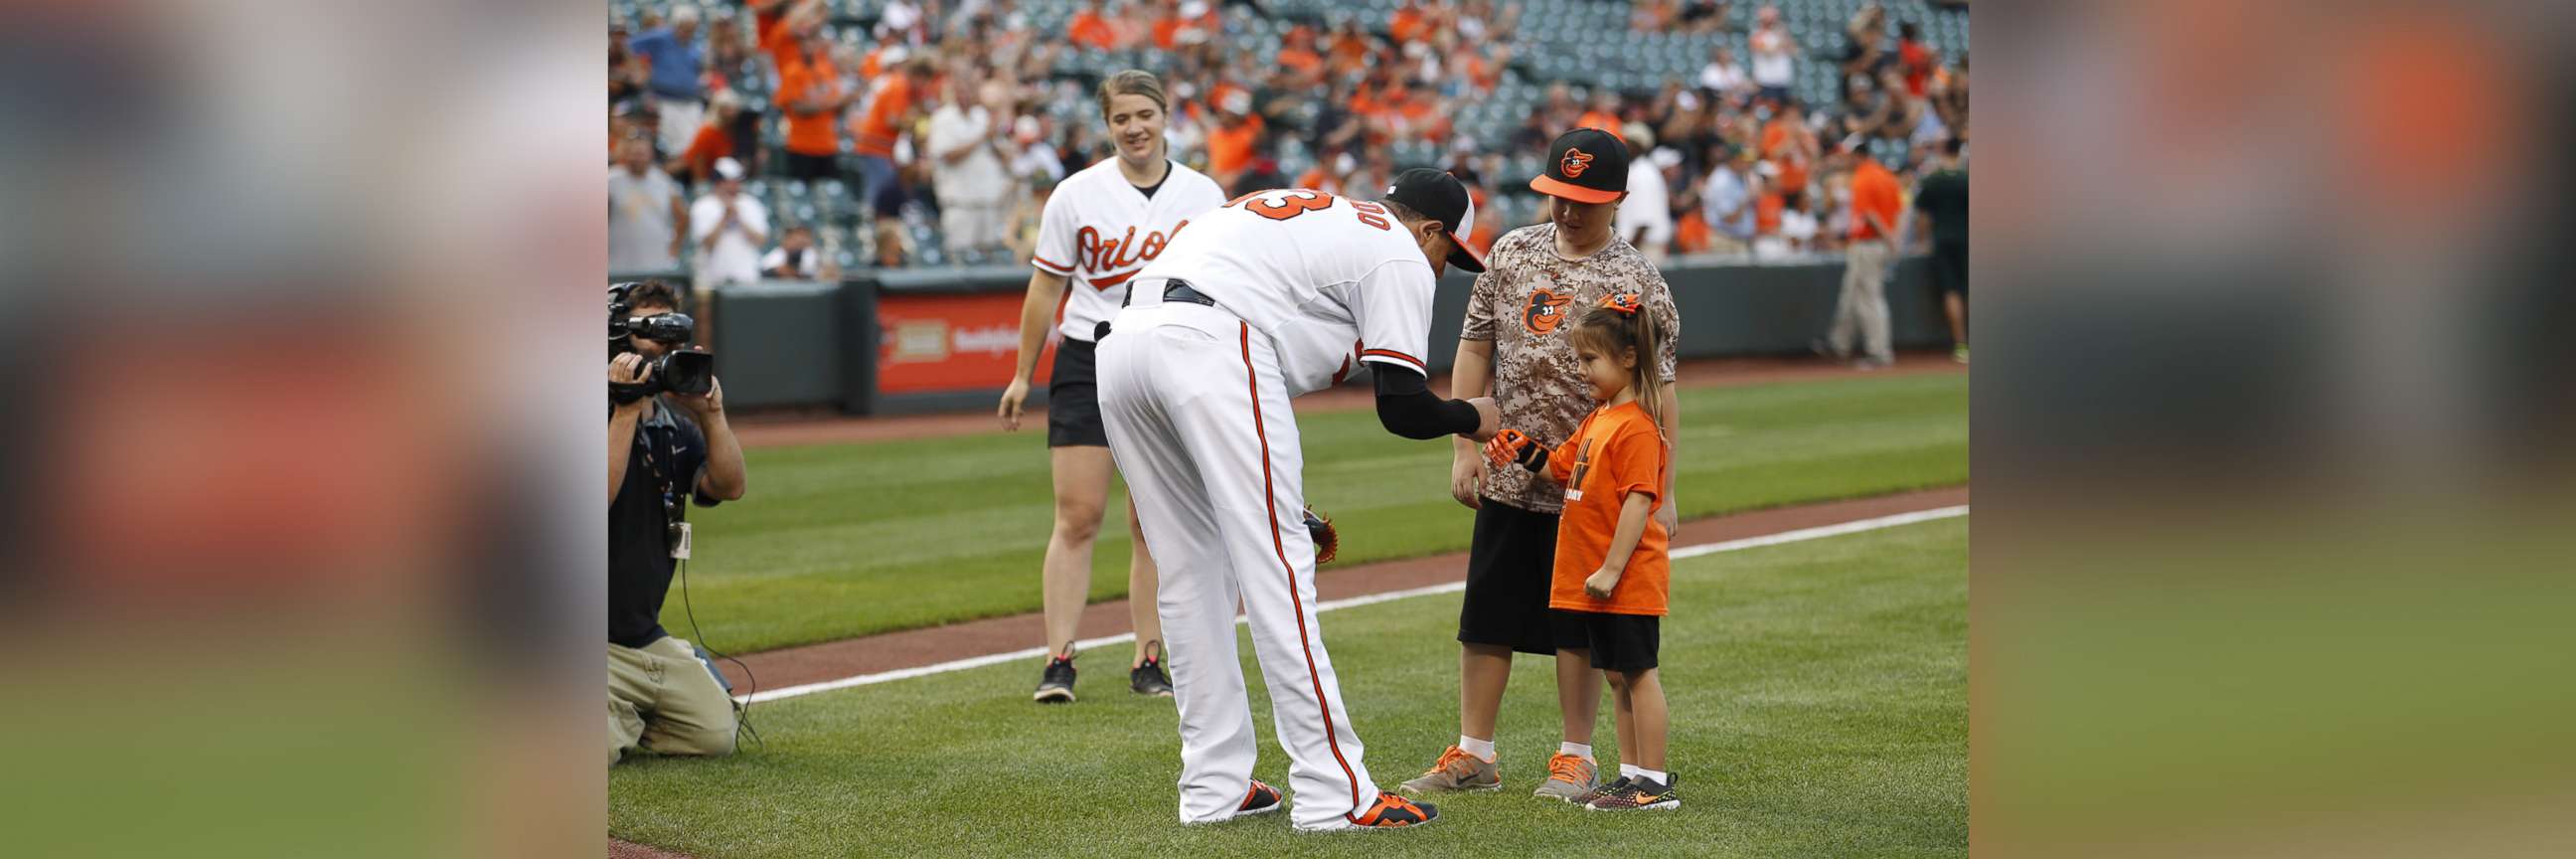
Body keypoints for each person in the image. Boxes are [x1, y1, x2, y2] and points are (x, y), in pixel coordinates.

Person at [1097, 169, 1499, 831]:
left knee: (1190, 575)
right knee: (1279, 572)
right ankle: (1333, 792)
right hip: (1212, 342)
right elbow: (1403, 408)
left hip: (1124, 347)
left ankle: (1213, 787)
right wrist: (1473, 416)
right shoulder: (1396, 249)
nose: (1440, 268)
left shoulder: (1320, 221)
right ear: (1429, 229)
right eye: (1445, 253)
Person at [1401, 127, 1681, 803]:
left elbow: (1661, 391)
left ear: (1616, 198)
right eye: (1558, 194)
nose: (1567, 210)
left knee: (1579, 627)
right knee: (1486, 618)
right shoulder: (1510, 251)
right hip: (1509, 466)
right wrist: (1463, 445)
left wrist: (1665, 489)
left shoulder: (1637, 279)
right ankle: (1474, 753)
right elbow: (1473, 352)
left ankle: (1576, 756)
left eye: (1584, 198)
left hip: (1594, 484)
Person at [997, 71, 1225, 704]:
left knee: (1152, 517)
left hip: (1165, 358)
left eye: (1144, 115)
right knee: (1078, 515)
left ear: (1164, 116)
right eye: (1121, 118)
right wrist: (1022, 373)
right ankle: (1058, 658)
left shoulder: (1203, 195)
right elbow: (1047, 286)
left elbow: (1221, 288)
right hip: (1087, 355)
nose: (1134, 128)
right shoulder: (1076, 194)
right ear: (1107, 125)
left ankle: (1147, 657)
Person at [1481, 293, 1681, 811]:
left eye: (1590, 359)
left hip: (1625, 578)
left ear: (1629, 359)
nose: (1581, 370)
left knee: (1638, 674)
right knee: (1616, 677)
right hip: (1599, 576)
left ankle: (1653, 784)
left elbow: (1639, 504)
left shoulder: (1635, 425)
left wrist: (1612, 569)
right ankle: (1632, 774)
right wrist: (1519, 447)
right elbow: (1558, 468)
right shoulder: (1599, 419)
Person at [608, 279, 749, 766]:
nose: (662, 351)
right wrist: (624, 411)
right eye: (649, 334)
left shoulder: (672, 426)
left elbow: (729, 485)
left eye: (670, 338)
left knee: (714, 736)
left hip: (642, 635)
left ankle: (625, 713)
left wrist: (712, 415)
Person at [1823, 137, 1902, 368]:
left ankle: (1879, 352)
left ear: (1859, 155)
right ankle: (1839, 343)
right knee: (1852, 293)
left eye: (1848, 156)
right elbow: (1898, 211)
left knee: (1869, 298)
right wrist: (1893, 238)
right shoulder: (1886, 176)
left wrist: (1890, 240)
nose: (1845, 160)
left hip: (1869, 243)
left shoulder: (1863, 178)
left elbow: (1868, 214)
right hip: (1876, 243)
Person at [926, 68, 1016, 256]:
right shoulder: (943, 118)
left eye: (970, 90)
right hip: (960, 203)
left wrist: (992, 137)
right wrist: (983, 136)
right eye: (961, 90)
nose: (966, 95)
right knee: (959, 258)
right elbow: (949, 156)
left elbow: (1004, 156)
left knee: (990, 258)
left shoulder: (981, 115)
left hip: (988, 201)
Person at [1911, 137, 1968, 362]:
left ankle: (1961, 344)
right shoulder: (1967, 179)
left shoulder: (1933, 180)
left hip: (1943, 238)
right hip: (1968, 238)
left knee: (1951, 290)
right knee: (1967, 289)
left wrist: (1922, 241)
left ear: (1944, 150)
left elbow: (1923, 217)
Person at [629, 6, 708, 157]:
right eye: (684, 28)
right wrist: (639, 69)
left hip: (689, 101)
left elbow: (699, 69)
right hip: (664, 100)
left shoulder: (694, 45)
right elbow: (630, 45)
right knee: (670, 146)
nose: (687, 33)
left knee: (693, 143)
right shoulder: (661, 37)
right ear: (676, 25)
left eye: (691, 29)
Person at [610, 135, 687, 273]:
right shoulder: (611, 180)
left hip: (656, 260)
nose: (637, 158)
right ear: (625, 155)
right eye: (633, 154)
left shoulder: (663, 181)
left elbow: (683, 218)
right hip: (618, 261)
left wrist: (674, 249)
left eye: (641, 154)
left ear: (650, 155)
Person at [690, 157, 769, 289]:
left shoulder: (751, 204)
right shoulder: (703, 206)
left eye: (737, 182)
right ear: (718, 183)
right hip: (712, 279)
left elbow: (761, 240)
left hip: (746, 277)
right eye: (729, 182)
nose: (734, 187)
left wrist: (739, 218)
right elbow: (707, 244)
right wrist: (725, 217)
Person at [1700, 145, 1759, 255]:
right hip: (1725, 242)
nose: (1748, 164)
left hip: (1738, 241)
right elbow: (1730, 218)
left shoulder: (1739, 177)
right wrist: (1748, 198)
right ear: (1734, 160)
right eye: (1744, 160)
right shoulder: (1721, 181)